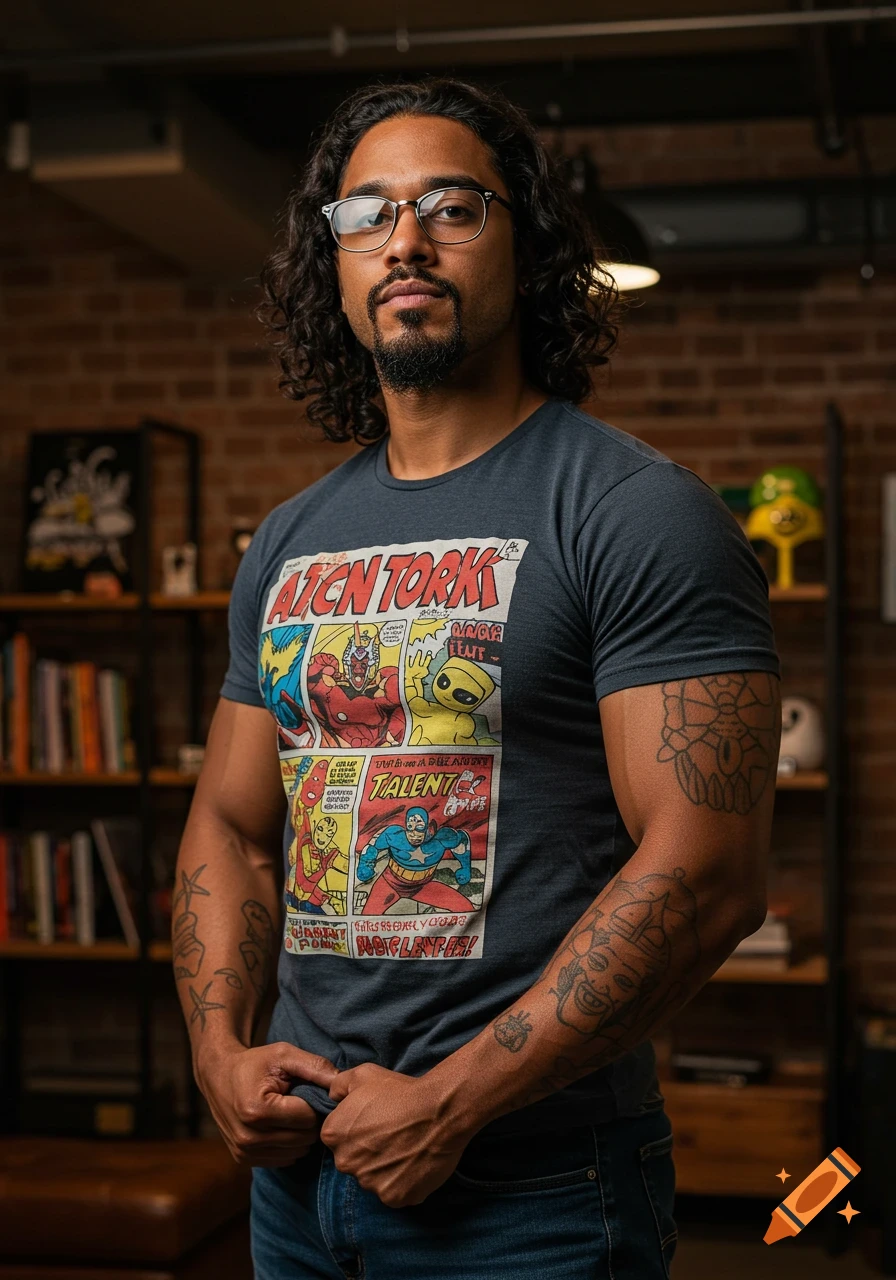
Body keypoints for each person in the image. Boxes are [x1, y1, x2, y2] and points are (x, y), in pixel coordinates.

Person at [173, 76, 781, 1280]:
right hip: (301, 1182)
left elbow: (706, 874)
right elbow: (232, 823)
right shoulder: (290, 539)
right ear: (332, 262)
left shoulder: (634, 512)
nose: (405, 238)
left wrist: (451, 1099)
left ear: (529, 246)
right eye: (366, 213)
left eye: (453, 205)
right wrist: (218, 1050)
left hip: (531, 1190)